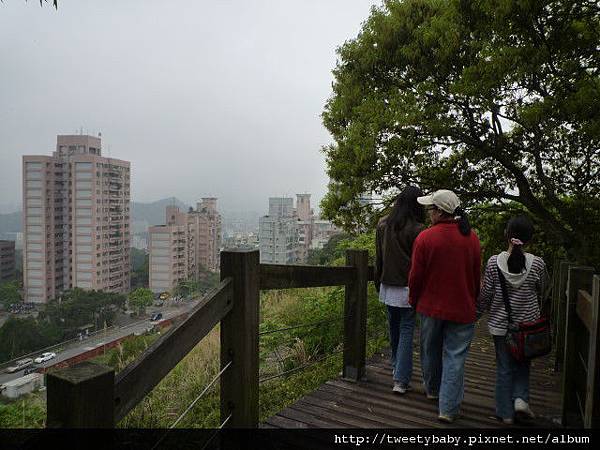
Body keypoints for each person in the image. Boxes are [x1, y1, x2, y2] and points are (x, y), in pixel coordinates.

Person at [408, 189, 481, 423]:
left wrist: (413, 300)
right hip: (462, 308)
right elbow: (474, 275)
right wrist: (473, 301)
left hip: (430, 307)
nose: (429, 213)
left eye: (431, 209)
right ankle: (447, 409)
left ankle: (433, 390)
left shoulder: (426, 238)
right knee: (455, 358)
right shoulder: (472, 238)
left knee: (430, 350)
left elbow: (415, 277)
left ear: (440, 212)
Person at [477, 215, 548, 424]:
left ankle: (504, 412)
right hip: (528, 327)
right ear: (530, 239)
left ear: (506, 235)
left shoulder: (493, 263)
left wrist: (476, 313)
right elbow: (544, 291)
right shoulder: (537, 264)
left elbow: (486, 294)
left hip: (501, 327)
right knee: (524, 364)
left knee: (504, 366)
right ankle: (521, 400)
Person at [375, 186, 425, 394]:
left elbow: (379, 257)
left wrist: (378, 281)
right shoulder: (419, 229)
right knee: (406, 331)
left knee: (393, 329)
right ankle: (401, 379)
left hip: (387, 285)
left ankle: (397, 368)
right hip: (408, 287)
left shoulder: (383, 224)